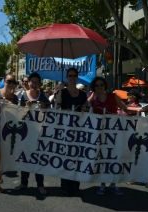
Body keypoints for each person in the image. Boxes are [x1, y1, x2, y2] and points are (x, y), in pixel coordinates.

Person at [88, 77, 129, 196]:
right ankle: (102, 184)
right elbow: (85, 106)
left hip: (113, 133)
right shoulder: (93, 97)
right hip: (99, 134)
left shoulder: (113, 96)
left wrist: (139, 110)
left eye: (101, 85)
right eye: (96, 85)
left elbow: (125, 108)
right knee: (102, 159)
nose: (99, 87)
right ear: (93, 87)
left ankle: (114, 184)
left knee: (114, 158)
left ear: (105, 86)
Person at [15, 72, 49, 195]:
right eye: (32, 82)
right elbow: (18, 116)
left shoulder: (43, 96)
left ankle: (40, 184)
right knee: (25, 159)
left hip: (39, 133)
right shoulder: (23, 96)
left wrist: (44, 107)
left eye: (36, 82)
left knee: (39, 159)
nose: (34, 84)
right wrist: (26, 108)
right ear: (28, 83)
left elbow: (49, 113)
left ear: (39, 84)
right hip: (26, 133)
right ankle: (24, 183)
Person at [55, 67, 87, 196]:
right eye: (70, 75)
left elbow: (86, 110)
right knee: (66, 157)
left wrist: (83, 108)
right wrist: (58, 92)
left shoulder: (83, 94)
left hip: (79, 130)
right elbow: (57, 108)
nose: (72, 77)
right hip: (65, 130)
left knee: (77, 157)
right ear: (67, 77)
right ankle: (65, 185)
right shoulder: (62, 92)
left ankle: (75, 185)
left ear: (77, 77)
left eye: (74, 75)